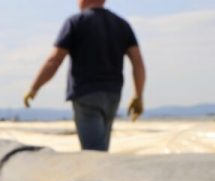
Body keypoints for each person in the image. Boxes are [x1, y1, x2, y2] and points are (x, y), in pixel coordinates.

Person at [24, 0, 145, 151]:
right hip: (112, 95)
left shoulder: (76, 22)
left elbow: (54, 60)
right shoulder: (121, 24)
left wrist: (34, 88)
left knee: (94, 153)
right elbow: (138, 63)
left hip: (86, 95)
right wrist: (138, 96)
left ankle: (99, 166)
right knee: (101, 147)